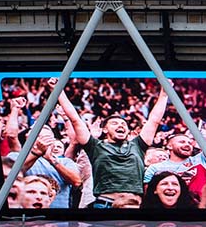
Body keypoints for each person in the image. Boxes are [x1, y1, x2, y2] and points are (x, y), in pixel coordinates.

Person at [61, 80, 168, 208]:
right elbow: (75, 119)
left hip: (133, 205)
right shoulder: (95, 146)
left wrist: (165, 93)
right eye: (115, 123)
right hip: (105, 205)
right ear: (104, 130)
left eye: (123, 124)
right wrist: (59, 91)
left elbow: (154, 120)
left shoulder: (138, 145)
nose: (120, 125)